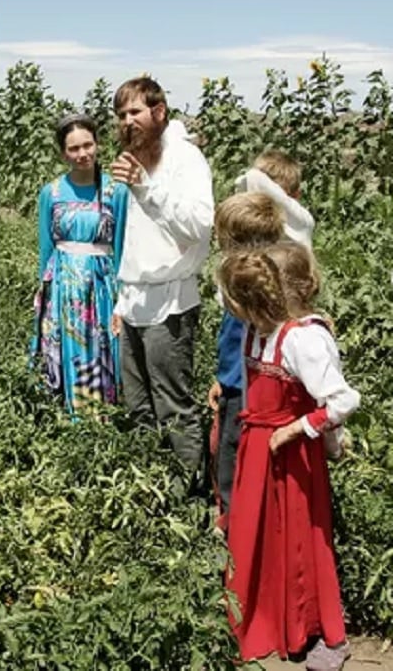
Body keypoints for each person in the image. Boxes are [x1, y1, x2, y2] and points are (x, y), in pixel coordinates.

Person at [218, 241, 357, 671]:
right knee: (254, 533)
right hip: (257, 449)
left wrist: (298, 429)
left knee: (298, 540)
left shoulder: (302, 340)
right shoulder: (260, 330)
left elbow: (342, 401)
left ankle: (313, 628)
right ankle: (258, 616)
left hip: (290, 456)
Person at [109, 77, 214, 482]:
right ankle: (150, 490)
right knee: (137, 406)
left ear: (159, 111)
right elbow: (137, 243)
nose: (127, 121)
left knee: (173, 404)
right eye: (121, 115)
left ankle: (188, 495)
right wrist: (121, 302)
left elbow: (199, 226)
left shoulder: (184, 159)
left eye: (135, 112)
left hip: (170, 303)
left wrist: (147, 189)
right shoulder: (140, 160)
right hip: (134, 302)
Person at [209, 151, 316, 528]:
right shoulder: (244, 275)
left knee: (237, 461)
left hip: (255, 391)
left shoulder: (275, 275)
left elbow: (255, 181)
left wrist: (265, 192)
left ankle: (239, 531)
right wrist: (220, 380)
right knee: (224, 452)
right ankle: (233, 523)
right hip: (234, 382)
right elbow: (230, 340)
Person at [30, 112, 129, 415]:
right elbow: (46, 247)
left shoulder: (116, 191)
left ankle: (101, 420)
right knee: (62, 348)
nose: (82, 154)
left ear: (98, 145)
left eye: (88, 145)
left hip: (101, 284)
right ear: (63, 153)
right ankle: (64, 416)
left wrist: (123, 298)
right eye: (74, 148)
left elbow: (123, 246)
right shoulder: (53, 192)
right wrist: (43, 293)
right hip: (62, 284)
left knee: (101, 348)